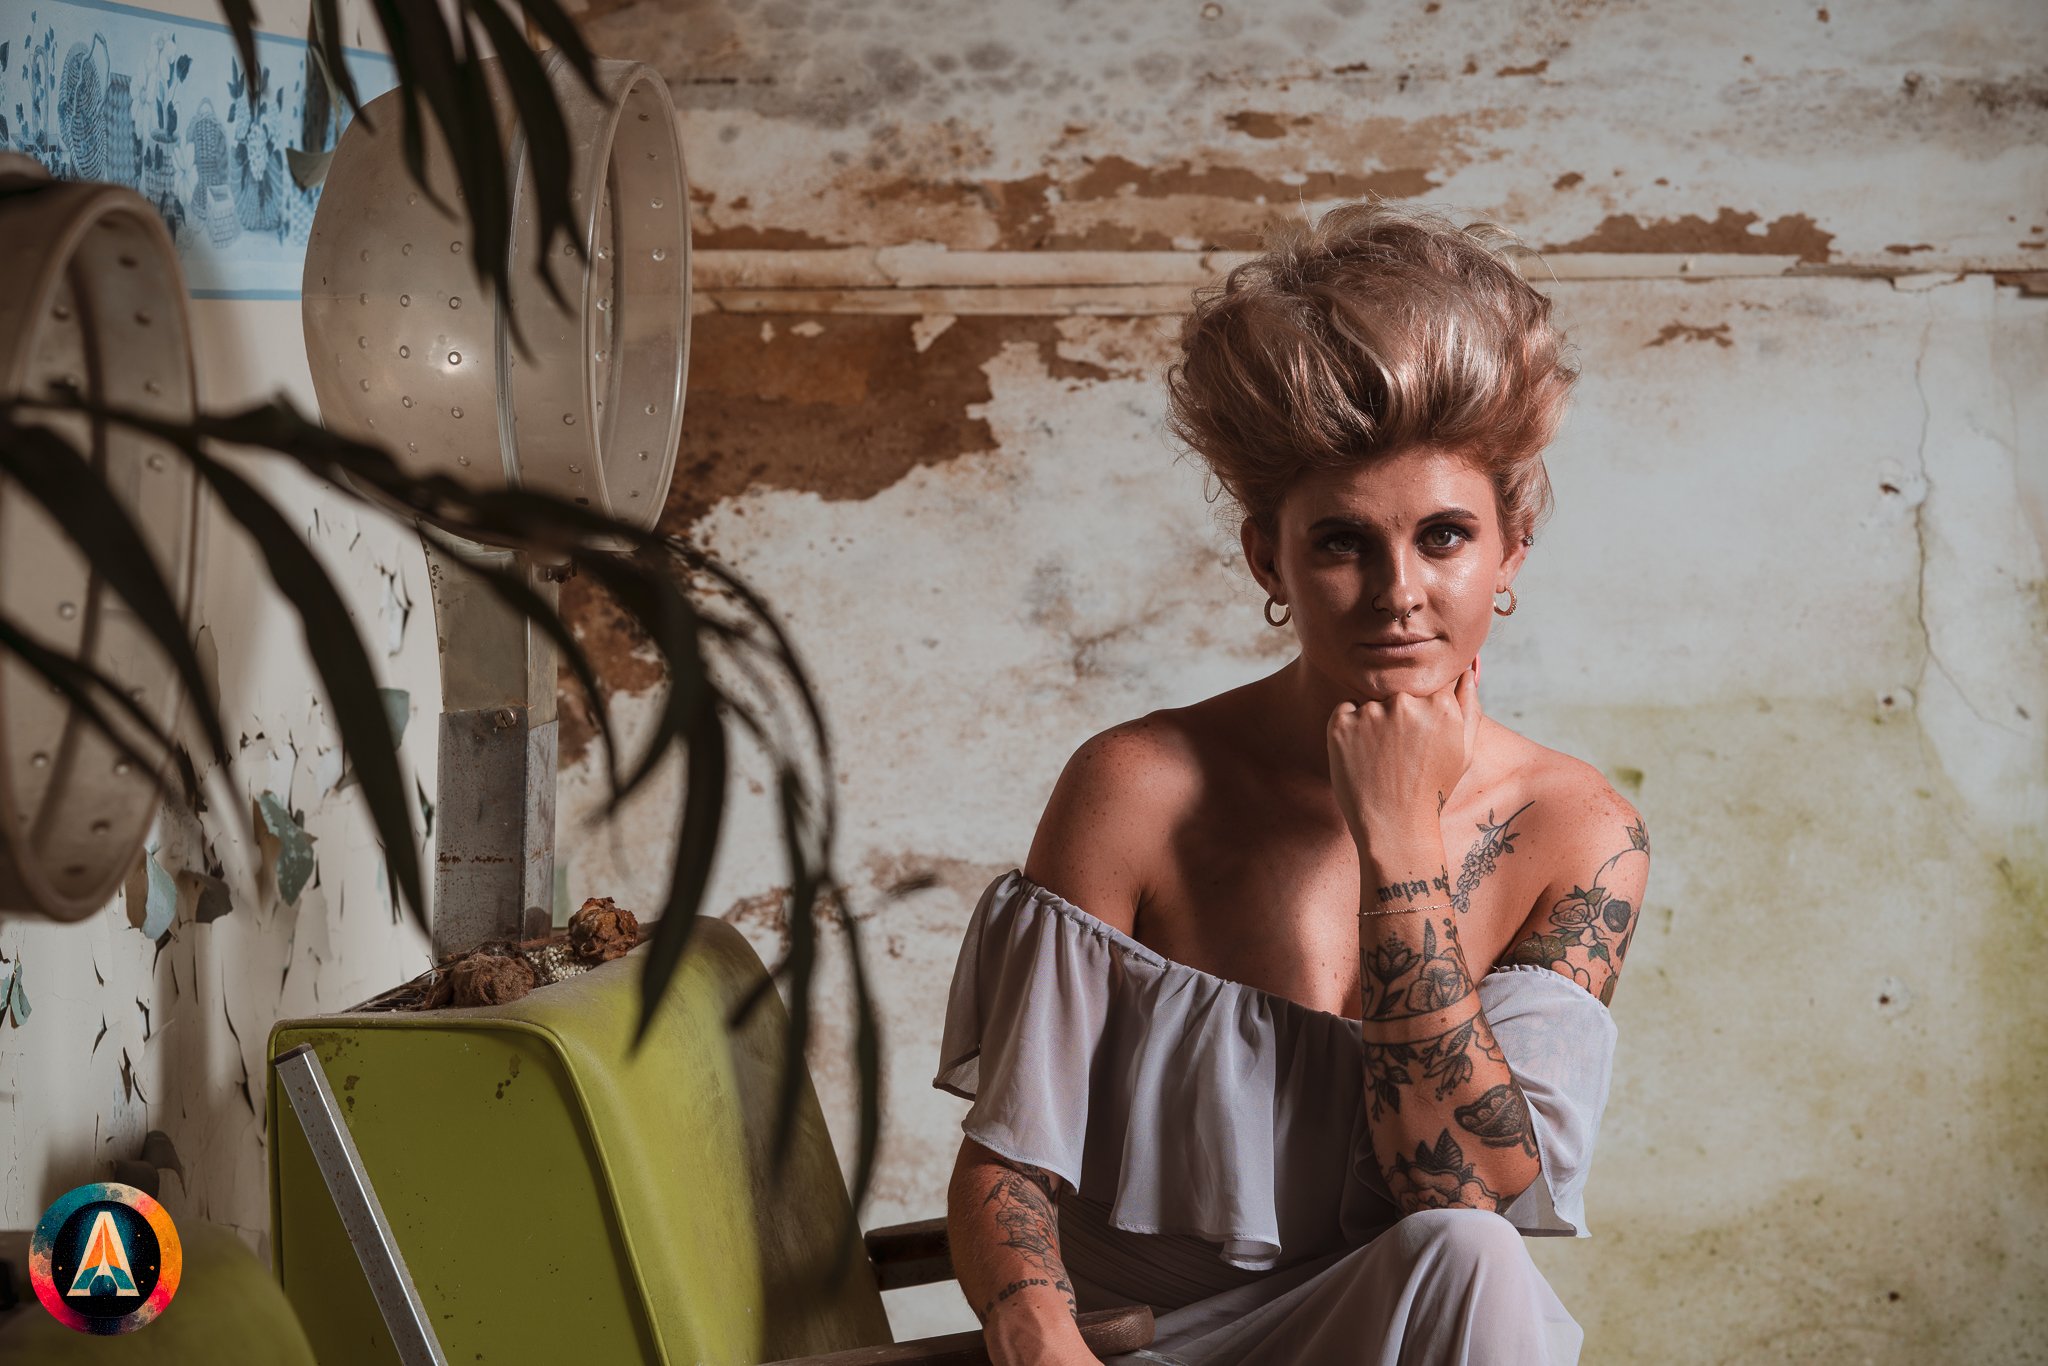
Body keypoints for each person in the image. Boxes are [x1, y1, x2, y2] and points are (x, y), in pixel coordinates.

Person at [932, 198, 1652, 1366]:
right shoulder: (1138, 786)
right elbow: (1005, 1165)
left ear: (1510, 547)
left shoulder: (1577, 832)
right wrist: (1035, 1328)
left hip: (1396, 1328)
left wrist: (1399, 847)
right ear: (1266, 553)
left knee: (1469, 1257)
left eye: (1442, 536)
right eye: (1339, 542)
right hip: (1137, 1344)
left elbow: (1462, 1188)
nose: (1395, 590)